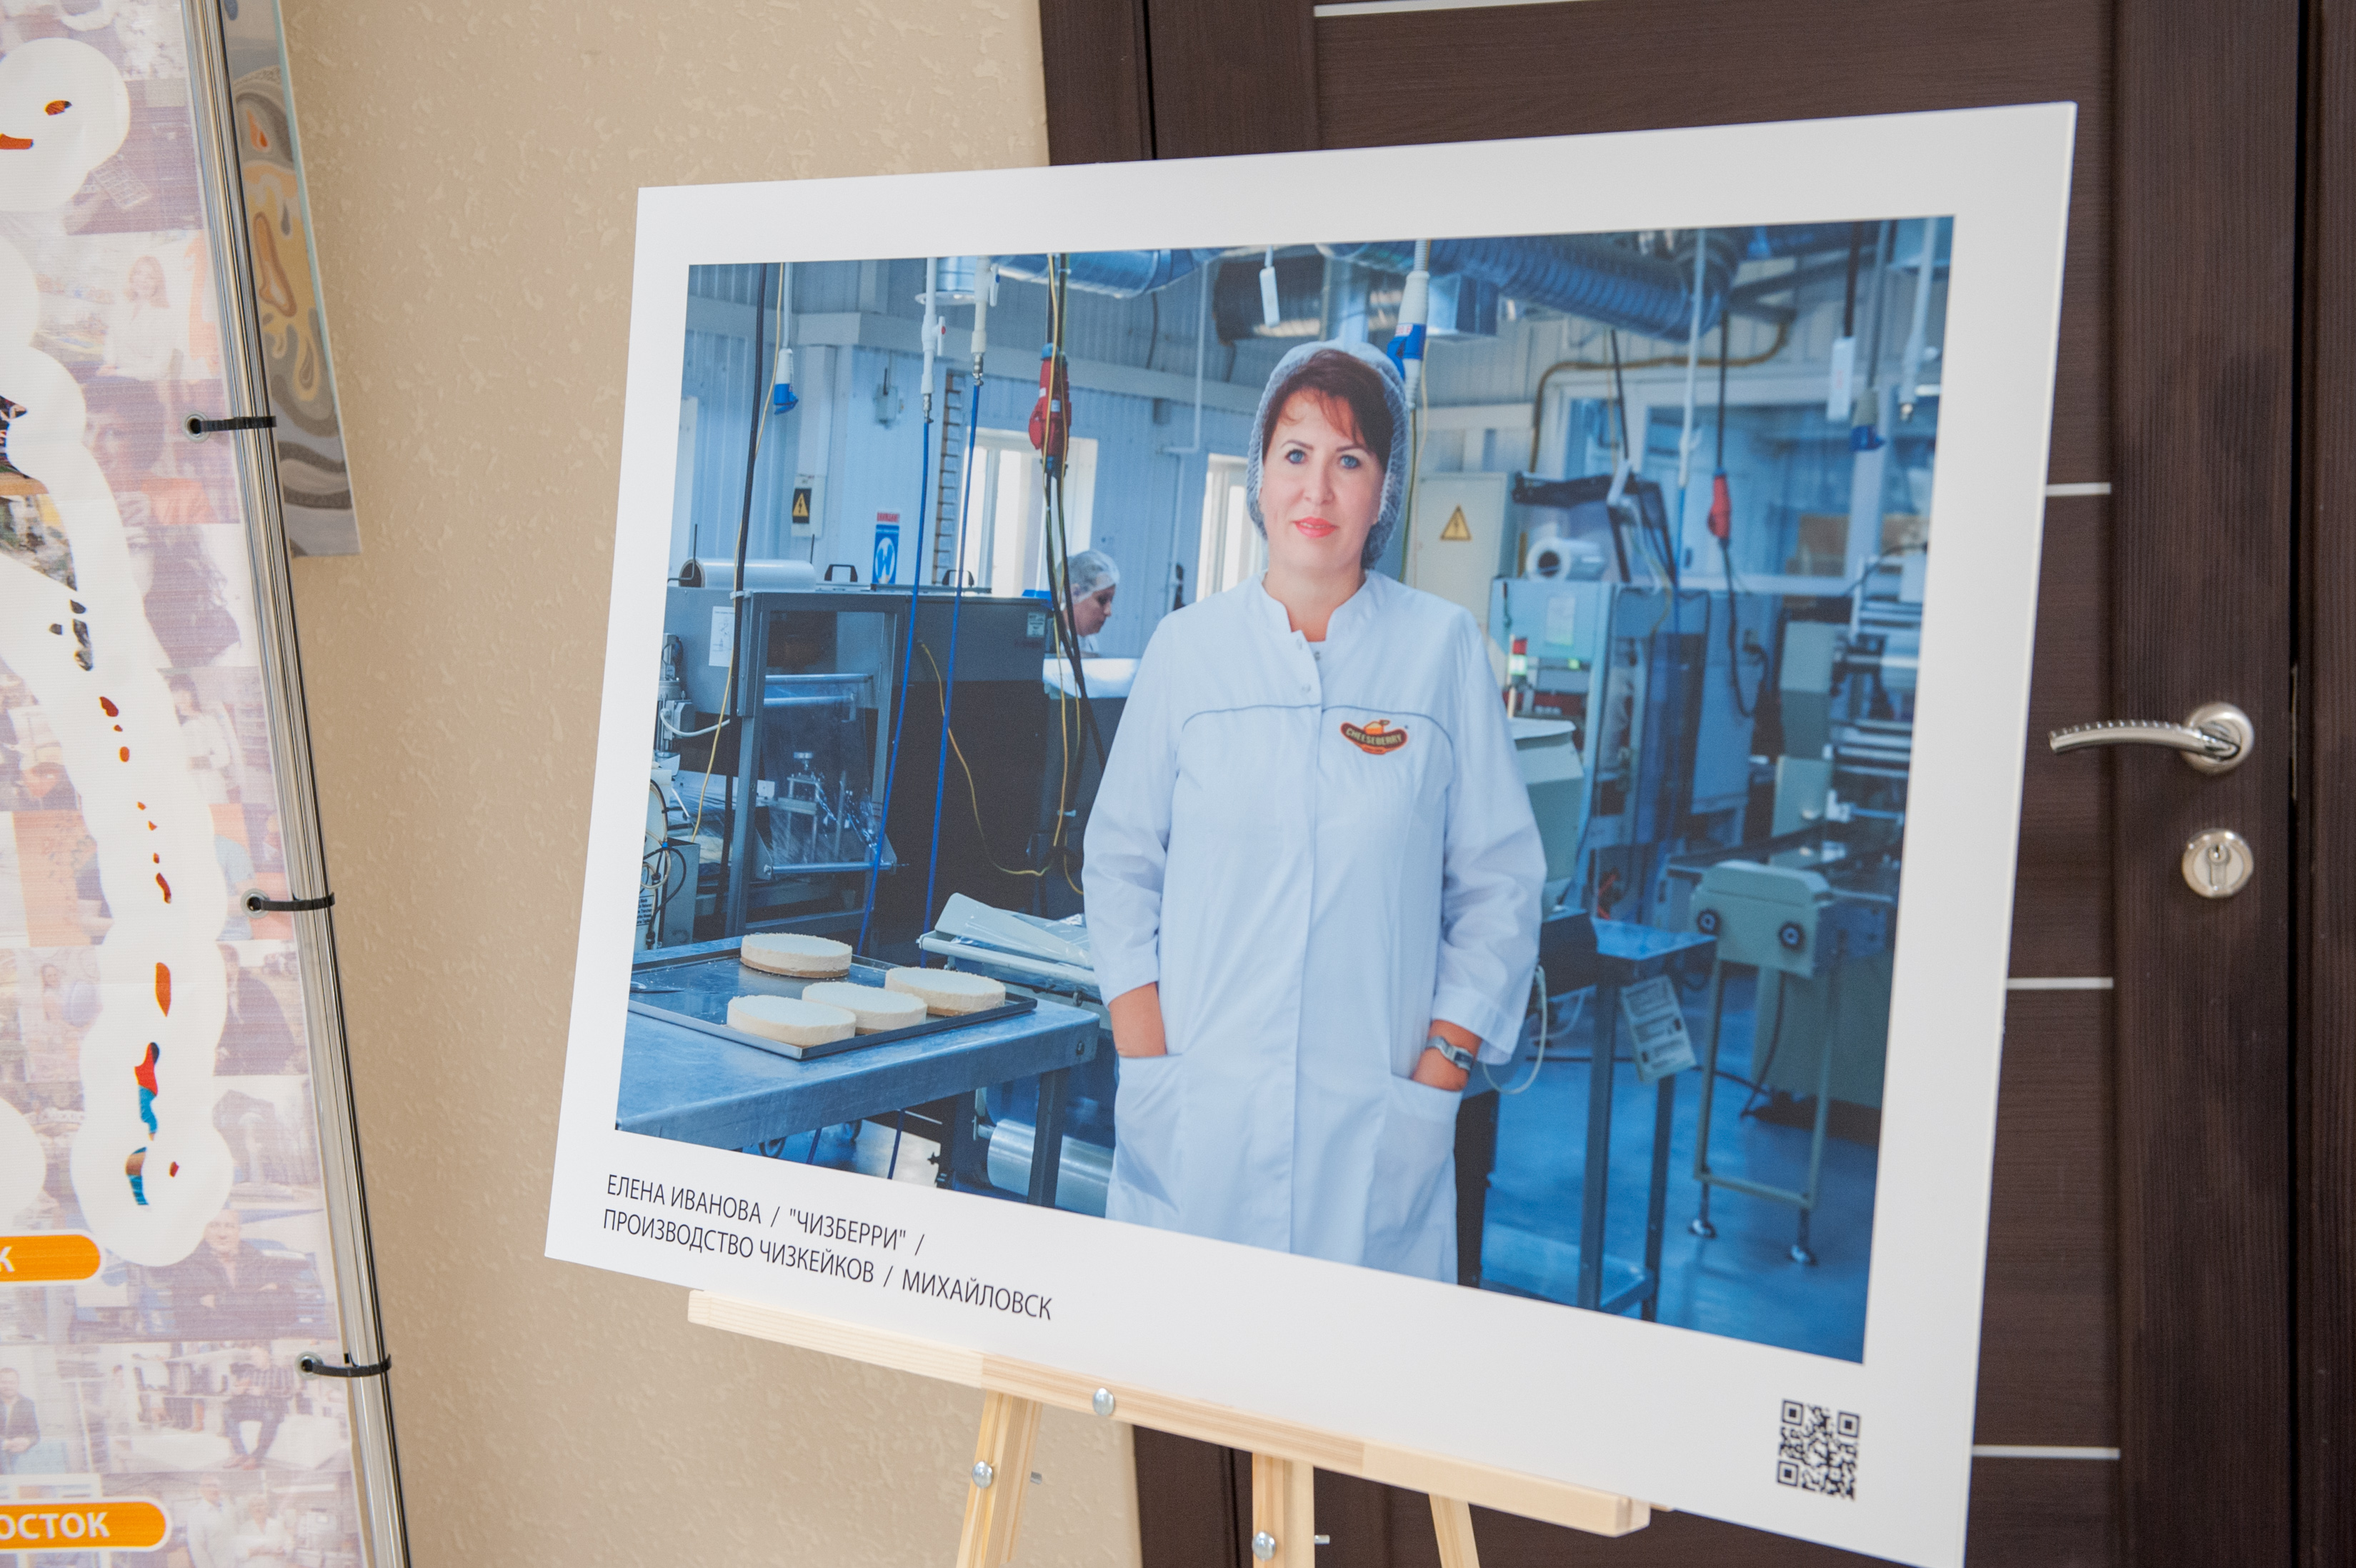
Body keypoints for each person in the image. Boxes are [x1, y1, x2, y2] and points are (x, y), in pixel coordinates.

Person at [1084, 341, 1542, 1284]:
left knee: (1349, 1367)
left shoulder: (1441, 653)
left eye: (1350, 460)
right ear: (1259, 475)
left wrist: (1442, 1066)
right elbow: (1121, 862)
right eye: (1294, 454)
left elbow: (1500, 883)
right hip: (1199, 1112)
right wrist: (1147, 1057)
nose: (1317, 490)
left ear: (1385, 489)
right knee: (1182, 1354)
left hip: (1373, 1126)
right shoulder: (1188, 650)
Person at [166, 1209, 296, 1339]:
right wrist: (255, 1305)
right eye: (214, 1226)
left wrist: (220, 1302)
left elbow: (285, 1308)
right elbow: (190, 1321)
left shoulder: (259, 1261)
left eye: (229, 1226)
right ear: (203, 1230)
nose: (222, 1234)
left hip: (259, 1347)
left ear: (238, 1230)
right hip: (214, 1346)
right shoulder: (188, 1267)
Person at [221, 1364, 281, 1469]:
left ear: (266, 1355)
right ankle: (240, 1453)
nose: (254, 1358)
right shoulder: (250, 1371)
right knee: (228, 1411)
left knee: (270, 1415)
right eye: (253, 1356)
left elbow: (288, 1392)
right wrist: (238, 1390)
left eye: (256, 1356)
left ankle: (256, 1457)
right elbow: (239, 1387)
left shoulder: (279, 1371)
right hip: (252, 1408)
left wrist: (264, 1391)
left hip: (270, 1408)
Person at [1063, 549, 1119, 651]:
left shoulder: (1090, 643)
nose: (1108, 612)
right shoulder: (1050, 640)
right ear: (1075, 594)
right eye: (1102, 600)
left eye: (1111, 601)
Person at [184, 1475, 239, 1568]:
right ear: (201, 1490)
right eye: (209, 1486)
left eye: (216, 1486)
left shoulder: (229, 1509)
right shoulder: (196, 1514)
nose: (214, 1489)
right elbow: (198, 1550)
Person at [233, 1492, 292, 1565]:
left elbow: (289, 1545)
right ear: (250, 1510)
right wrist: (254, 1551)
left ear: (267, 1508)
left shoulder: (277, 1525)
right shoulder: (245, 1528)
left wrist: (282, 1551)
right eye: (254, 1506)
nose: (258, 1508)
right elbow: (239, 1553)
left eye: (261, 1505)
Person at [0, 1367, 37, 1471]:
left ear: (18, 1384)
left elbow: (35, 1434)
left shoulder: (27, 1404)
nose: (8, 1386)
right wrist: (4, 1444)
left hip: (17, 1457)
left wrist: (27, 1441)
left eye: (11, 1382)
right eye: (3, 1382)